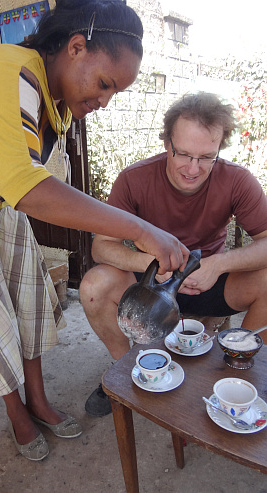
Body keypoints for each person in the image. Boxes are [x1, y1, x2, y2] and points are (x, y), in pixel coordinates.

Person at [0, 0, 189, 462]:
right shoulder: (10, 71)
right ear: (77, 47)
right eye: (104, 84)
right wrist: (143, 229)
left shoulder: (52, 100)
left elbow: (6, 163)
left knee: (29, 304)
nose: (103, 102)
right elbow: (30, 187)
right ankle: (17, 413)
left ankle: (38, 401)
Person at [80, 91, 267, 417]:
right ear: (167, 142)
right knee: (93, 287)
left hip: (208, 282)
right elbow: (101, 245)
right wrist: (152, 264)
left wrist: (217, 264)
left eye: (207, 156)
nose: (194, 169)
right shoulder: (134, 180)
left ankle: (236, 376)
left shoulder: (237, 180)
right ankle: (125, 370)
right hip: (150, 285)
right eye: (183, 154)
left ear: (220, 148)